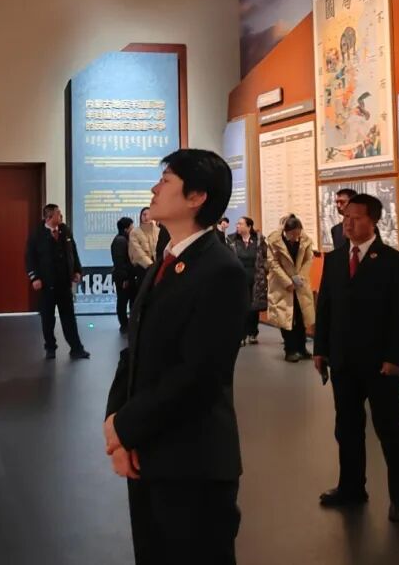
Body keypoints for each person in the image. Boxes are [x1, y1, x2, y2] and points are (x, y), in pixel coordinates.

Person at [104, 149, 247, 564]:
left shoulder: (220, 271)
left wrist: (126, 426)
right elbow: (136, 353)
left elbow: (198, 376)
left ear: (196, 197)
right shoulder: (167, 262)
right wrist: (117, 426)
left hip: (193, 465)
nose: (154, 188)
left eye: (166, 180)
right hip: (150, 453)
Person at [313, 194, 399, 522]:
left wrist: (397, 357)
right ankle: (351, 488)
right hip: (343, 360)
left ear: (373, 221)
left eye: (356, 218)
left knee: (390, 429)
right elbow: (325, 306)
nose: (348, 223)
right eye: (346, 217)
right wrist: (320, 348)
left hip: (380, 363)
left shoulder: (394, 262)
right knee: (347, 427)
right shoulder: (335, 259)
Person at [26, 204, 89, 359]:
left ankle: (76, 348)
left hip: (64, 283)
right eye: (58, 214)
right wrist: (34, 278)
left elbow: (73, 251)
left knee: (69, 317)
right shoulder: (37, 234)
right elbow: (30, 258)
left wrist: (77, 270)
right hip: (46, 285)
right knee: (48, 318)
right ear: (49, 217)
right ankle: (50, 347)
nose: (61, 216)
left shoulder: (65, 230)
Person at [267, 214, 315, 362]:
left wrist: (300, 278)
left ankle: (302, 348)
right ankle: (290, 350)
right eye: (292, 234)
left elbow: (309, 259)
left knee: (301, 317)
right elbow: (273, 263)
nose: (295, 237)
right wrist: (287, 281)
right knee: (286, 318)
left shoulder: (305, 241)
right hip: (282, 285)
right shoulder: (274, 241)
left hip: (300, 284)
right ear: (285, 231)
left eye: (297, 234)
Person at [229, 217, 261, 344]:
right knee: (241, 306)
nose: (237, 226)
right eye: (237, 224)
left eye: (240, 224)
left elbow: (264, 258)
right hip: (239, 278)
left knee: (254, 306)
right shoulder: (231, 241)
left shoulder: (258, 241)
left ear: (249, 227)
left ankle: (253, 332)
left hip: (255, 278)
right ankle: (241, 334)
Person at [112, 216, 135, 334]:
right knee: (122, 301)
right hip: (123, 277)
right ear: (126, 229)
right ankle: (124, 324)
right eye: (131, 227)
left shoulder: (123, 239)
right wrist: (125, 278)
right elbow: (120, 262)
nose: (133, 229)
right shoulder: (120, 241)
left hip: (126, 276)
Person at [129, 207, 159, 288]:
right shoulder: (134, 232)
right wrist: (150, 265)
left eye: (149, 214)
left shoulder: (158, 231)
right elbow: (136, 251)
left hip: (157, 267)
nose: (146, 217)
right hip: (143, 267)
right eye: (144, 214)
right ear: (140, 216)